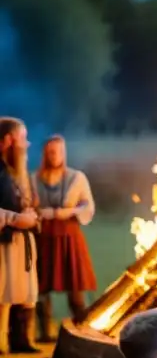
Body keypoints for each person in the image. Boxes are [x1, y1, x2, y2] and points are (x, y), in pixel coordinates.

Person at [32, 135, 98, 339]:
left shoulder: (76, 178)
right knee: (41, 287)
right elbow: (28, 204)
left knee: (75, 286)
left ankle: (82, 330)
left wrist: (68, 212)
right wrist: (43, 213)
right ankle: (45, 332)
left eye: (59, 152)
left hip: (69, 236)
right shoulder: (34, 179)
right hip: (43, 236)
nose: (55, 156)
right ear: (45, 154)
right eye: (51, 152)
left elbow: (88, 205)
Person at [0, 117, 40, 355]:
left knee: (22, 292)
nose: (26, 145)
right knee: (3, 293)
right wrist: (14, 219)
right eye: (22, 139)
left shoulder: (16, 172)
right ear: (7, 141)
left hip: (20, 242)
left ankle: (20, 340)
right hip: (3, 242)